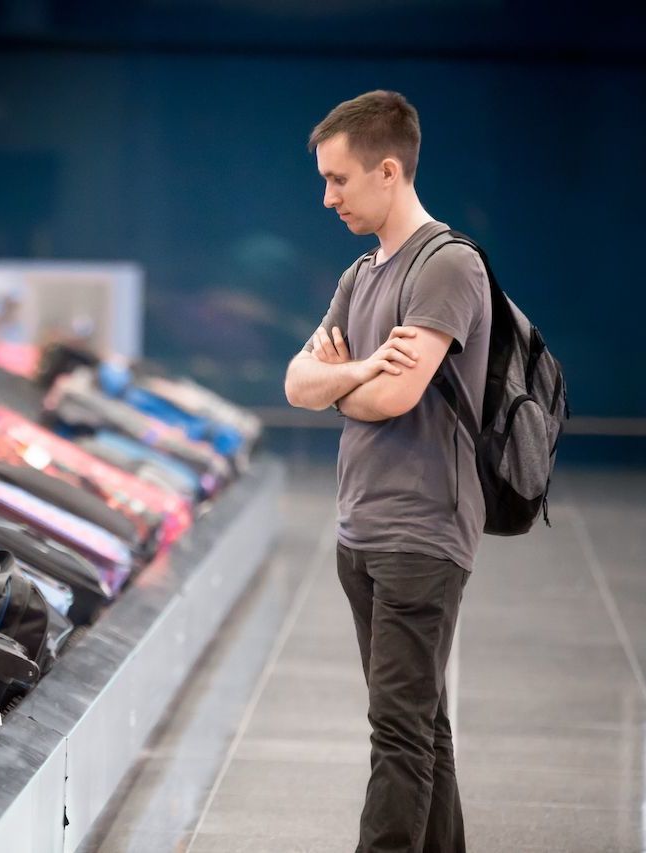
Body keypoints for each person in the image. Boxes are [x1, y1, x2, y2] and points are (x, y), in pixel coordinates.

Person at [284, 90, 491, 852]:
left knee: (397, 735)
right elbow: (295, 385)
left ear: (390, 171)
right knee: (422, 724)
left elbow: (399, 395)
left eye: (339, 180)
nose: (327, 196)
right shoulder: (362, 272)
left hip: (420, 533)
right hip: (361, 530)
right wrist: (360, 371)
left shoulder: (447, 267)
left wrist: (346, 380)